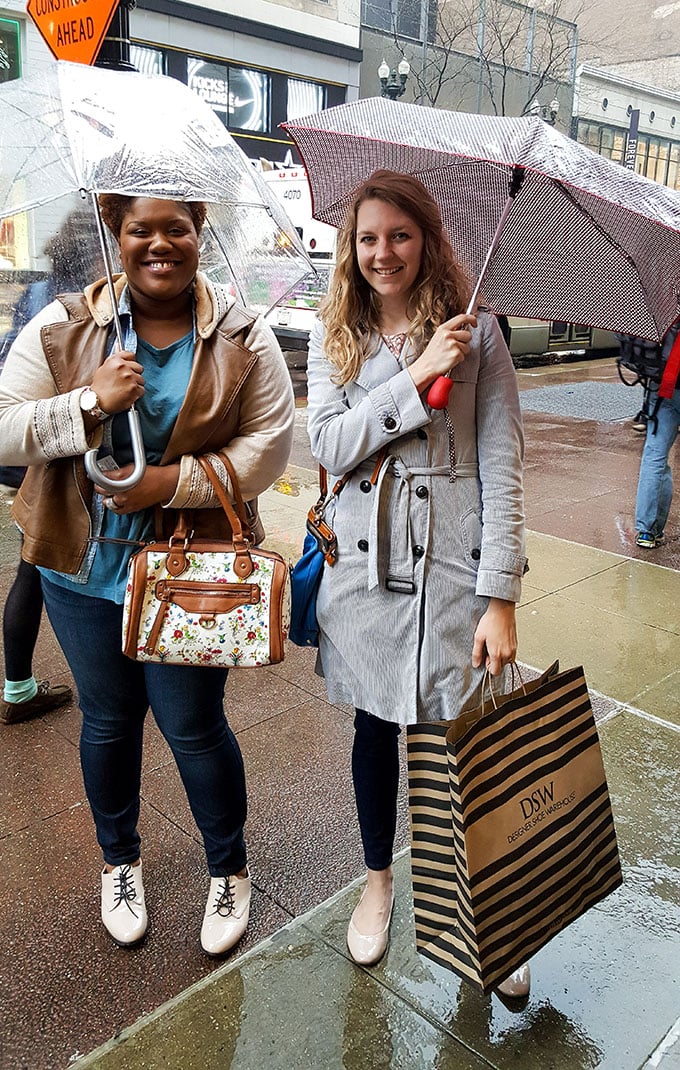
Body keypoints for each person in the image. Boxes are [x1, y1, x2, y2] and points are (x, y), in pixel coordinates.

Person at [0, 195, 295, 954]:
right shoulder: (65, 325)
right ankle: (119, 861)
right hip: (82, 566)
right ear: (117, 236)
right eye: (141, 229)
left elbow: (270, 445)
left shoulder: (240, 333)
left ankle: (228, 869)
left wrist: (174, 485)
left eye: (177, 228)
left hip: (189, 569)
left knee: (192, 726)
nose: (159, 244)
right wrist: (87, 404)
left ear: (199, 235)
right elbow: (2, 422)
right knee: (106, 719)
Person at [305, 171, 528, 997]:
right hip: (366, 573)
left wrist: (500, 591)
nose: (382, 253)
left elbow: (502, 463)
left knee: (459, 743)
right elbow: (329, 445)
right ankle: (377, 881)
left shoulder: (483, 333)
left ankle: (487, 907)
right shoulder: (338, 338)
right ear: (350, 247)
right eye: (368, 238)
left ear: (428, 239)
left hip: (458, 572)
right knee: (376, 732)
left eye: (399, 235)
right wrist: (413, 374)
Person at [0, 212, 95, 724]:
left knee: (29, 565)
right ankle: (20, 689)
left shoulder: (37, 290)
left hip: (28, 448)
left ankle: (18, 686)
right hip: (58, 450)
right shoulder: (78, 306)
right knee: (40, 567)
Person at [634, 322, 680, 548]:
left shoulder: (666, 303)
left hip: (664, 386)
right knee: (657, 460)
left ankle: (647, 531)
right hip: (667, 385)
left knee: (655, 457)